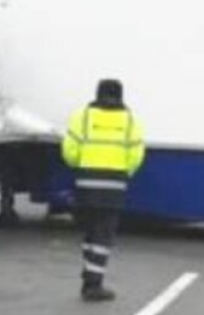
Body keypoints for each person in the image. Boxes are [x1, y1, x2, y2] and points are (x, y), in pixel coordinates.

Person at [62, 79, 145, 302]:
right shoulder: (130, 120)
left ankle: (89, 271)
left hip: (86, 181)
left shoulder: (83, 116)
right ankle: (93, 283)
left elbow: (70, 150)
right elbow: (136, 154)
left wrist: (80, 164)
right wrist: (125, 171)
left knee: (89, 230)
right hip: (114, 183)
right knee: (103, 234)